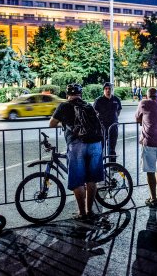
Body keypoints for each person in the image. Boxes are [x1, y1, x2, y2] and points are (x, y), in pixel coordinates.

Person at [49, 84, 104, 221]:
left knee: (77, 181)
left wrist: (64, 122)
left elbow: (51, 124)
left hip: (76, 144)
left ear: (67, 95)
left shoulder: (64, 106)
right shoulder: (88, 105)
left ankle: (82, 213)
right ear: (81, 94)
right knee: (91, 180)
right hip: (95, 143)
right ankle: (89, 211)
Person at [135, 88, 157, 207]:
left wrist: (143, 122)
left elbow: (137, 119)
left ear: (147, 95)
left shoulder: (143, 103)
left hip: (149, 141)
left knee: (150, 170)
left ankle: (153, 198)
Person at [93, 82, 122, 162]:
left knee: (112, 148)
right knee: (99, 148)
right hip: (101, 127)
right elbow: (94, 112)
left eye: (109, 89)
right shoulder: (99, 100)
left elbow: (118, 111)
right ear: (103, 90)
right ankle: (99, 166)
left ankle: (112, 166)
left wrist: (114, 119)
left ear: (112, 90)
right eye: (106, 89)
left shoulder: (116, 99)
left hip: (113, 127)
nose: (108, 90)